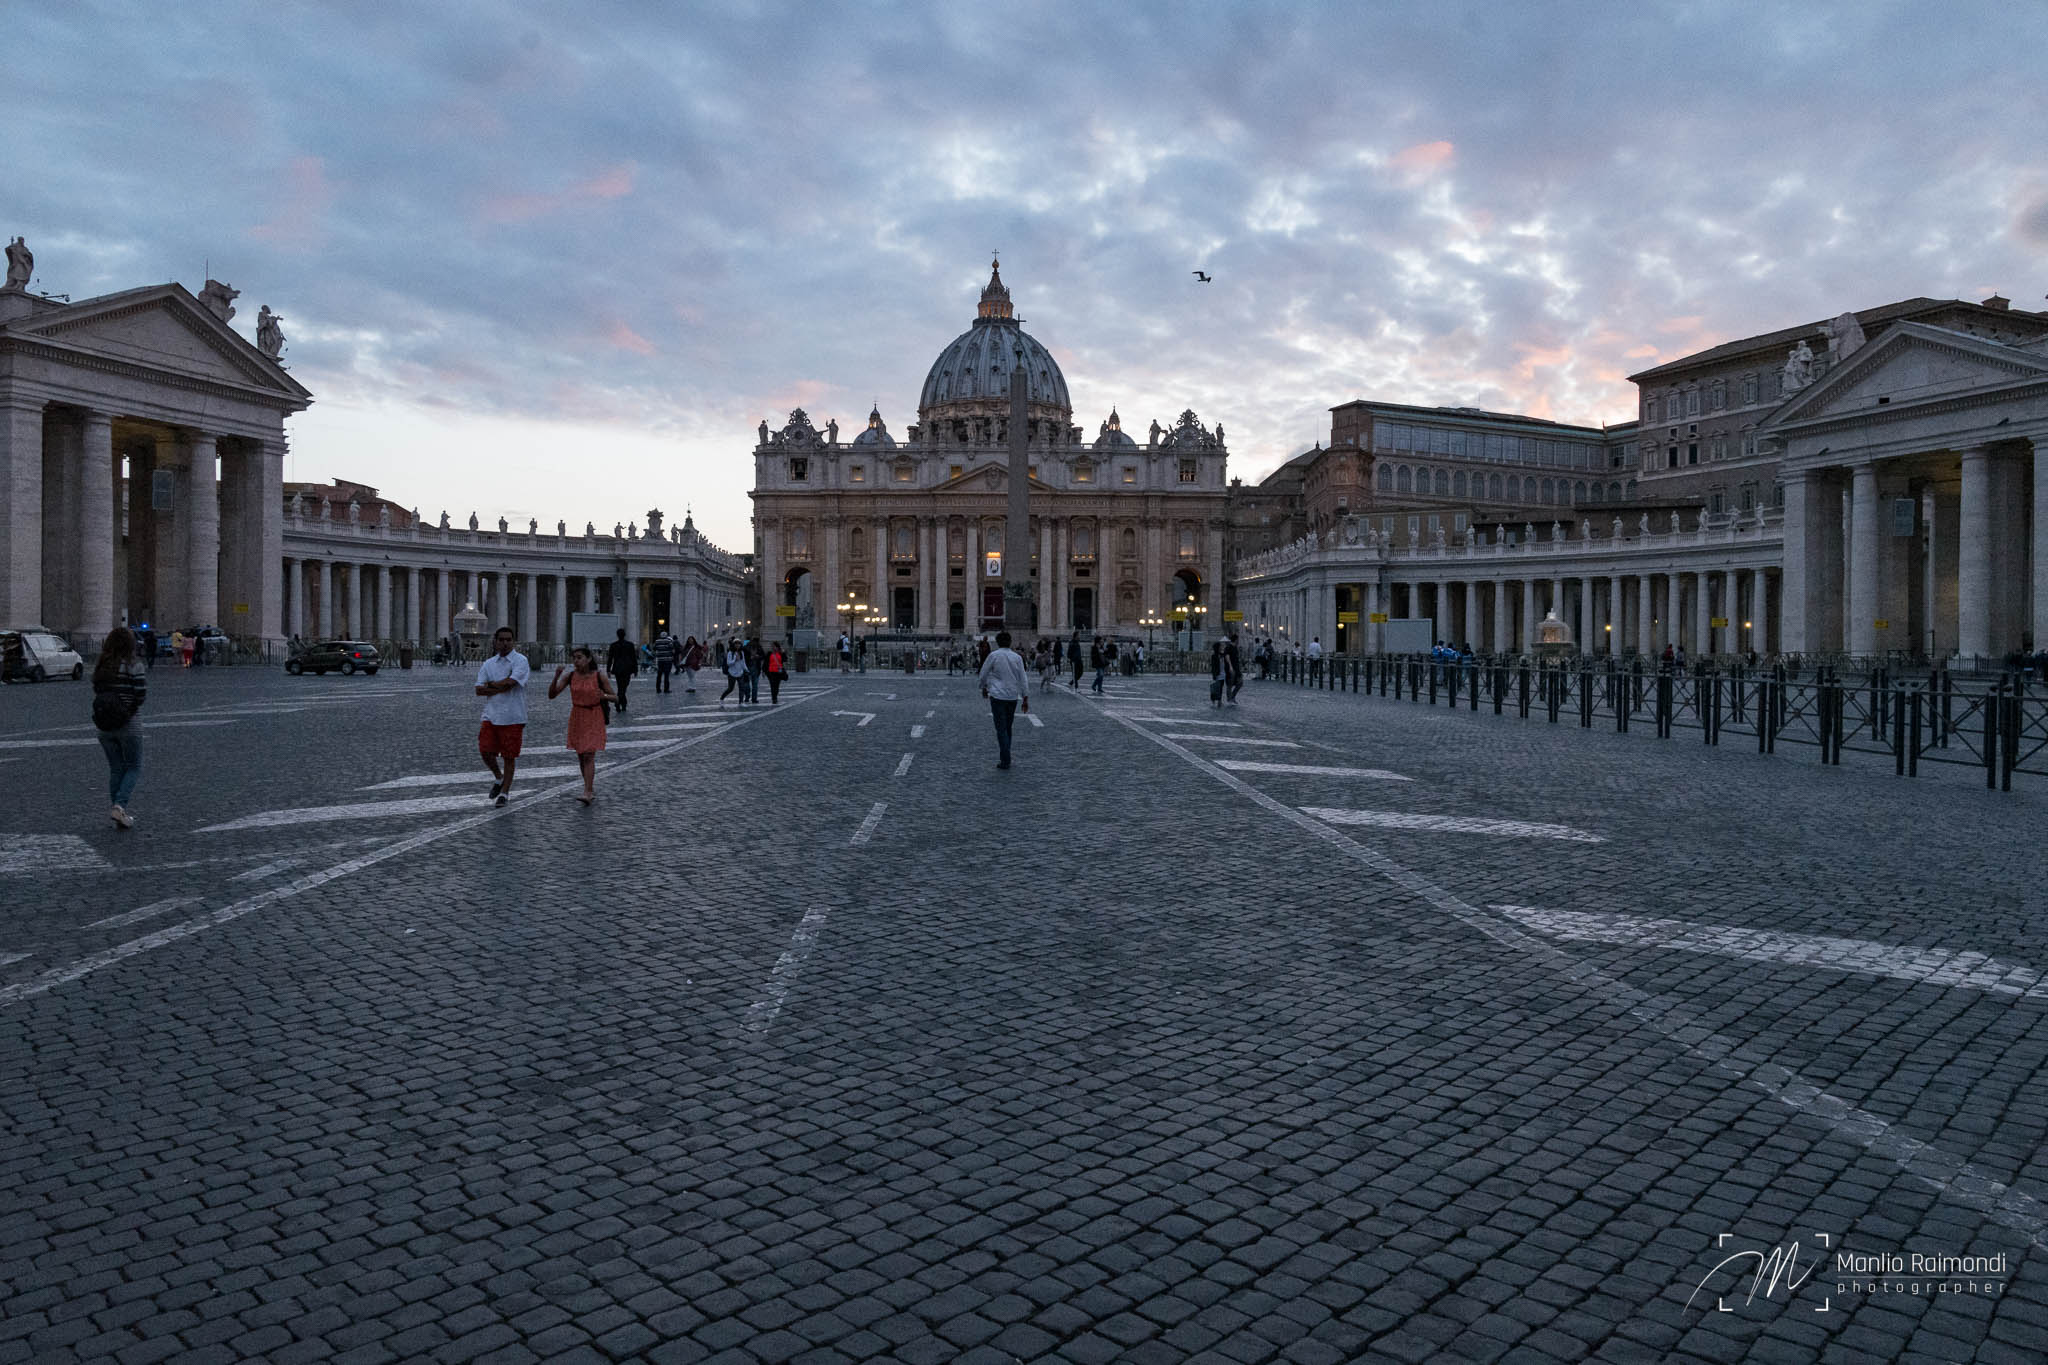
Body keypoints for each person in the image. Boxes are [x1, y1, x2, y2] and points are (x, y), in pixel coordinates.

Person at [90, 626, 147, 829]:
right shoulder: (133, 665)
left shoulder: (102, 666)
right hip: (128, 724)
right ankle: (119, 806)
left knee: (116, 768)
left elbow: (97, 690)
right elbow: (140, 694)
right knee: (133, 767)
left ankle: (118, 811)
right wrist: (128, 708)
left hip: (104, 725)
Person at [549, 646, 616, 805]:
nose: (576, 661)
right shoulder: (570, 676)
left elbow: (616, 697)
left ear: (588, 659)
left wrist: (604, 695)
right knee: (580, 754)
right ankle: (588, 786)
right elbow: (552, 695)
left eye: (579, 657)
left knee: (588, 754)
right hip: (577, 716)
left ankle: (588, 791)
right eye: (574, 658)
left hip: (593, 715)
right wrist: (556, 677)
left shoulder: (599, 676)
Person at [474, 626, 530, 806]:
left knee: (509, 756)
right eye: (501, 640)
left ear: (513, 641)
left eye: (508, 640)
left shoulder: (521, 660)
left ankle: (504, 793)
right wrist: (501, 686)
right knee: (485, 751)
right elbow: (478, 690)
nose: (505, 643)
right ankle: (499, 777)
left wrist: (491, 685)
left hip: (513, 716)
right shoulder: (488, 663)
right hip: (491, 715)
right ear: (495, 641)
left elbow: (512, 682)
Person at [978, 630, 1029, 770]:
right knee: (1008, 727)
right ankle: (1006, 755)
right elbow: (1023, 678)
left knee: (1001, 728)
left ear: (998, 642)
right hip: (1013, 697)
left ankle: (1005, 758)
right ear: (1010, 642)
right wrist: (1025, 697)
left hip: (997, 696)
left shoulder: (993, 655)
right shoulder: (1017, 657)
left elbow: (983, 674)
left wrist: (983, 687)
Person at [606, 629, 638, 712]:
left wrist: (608, 670)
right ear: (625, 635)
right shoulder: (630, 645)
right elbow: (633, 658)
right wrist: (635, 670)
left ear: (617, 635)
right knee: (623, 687)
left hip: (617, 668)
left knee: (620, 686)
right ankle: (621, 703)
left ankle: (620, 703)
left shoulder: (613, 645)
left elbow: (610, 658)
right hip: (627, 668)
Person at [719, 638, 746, 703]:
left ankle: (741, 702)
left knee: (742, 688)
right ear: (733, 645)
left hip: (740, 673)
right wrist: (735, 660)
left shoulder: (742, 652)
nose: (737, 645)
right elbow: (728, 663)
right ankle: (722, 698)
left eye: (739, 644)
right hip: (732, 673)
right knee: (730, 688)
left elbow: (743, 662)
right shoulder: (730, 653)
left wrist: (746, 669)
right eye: (736, 644)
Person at [651, 629, 678, 693]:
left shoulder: (657, 641)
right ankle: (666, 689)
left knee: (659, 675)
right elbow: (673, 650)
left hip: (660, 660)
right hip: (668, 660)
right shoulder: (669, 641)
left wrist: (657, 654)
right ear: (666, 635)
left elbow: (654, 648)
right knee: (666, 675)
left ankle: (658, 689)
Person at [743, 636, 765, 704]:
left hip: (756, 668)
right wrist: (750, 657)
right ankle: (747, 696)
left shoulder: (759, 648)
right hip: (747, 668)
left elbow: (763, 656)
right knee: (747, 684)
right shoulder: (746, 648)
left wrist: (758, 657)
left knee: (754, 685)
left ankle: (754, 698)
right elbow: (743, 657)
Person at [765, 639, 787, 704]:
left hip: (778, 672)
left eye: (775, 646)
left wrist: (783, 653)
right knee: (772, 685)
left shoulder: (780, 653)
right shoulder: (769, 653)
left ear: (777, 647)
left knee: (777, 686)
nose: (773, 647)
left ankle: (775, 696)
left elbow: (785, 660)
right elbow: (766, 663)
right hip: (771, 672)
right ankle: (774, 698)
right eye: (772, 646)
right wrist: (764, 671)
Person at [1225, 634, 1244, 705]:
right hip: (1231, 668)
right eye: (1238, 639)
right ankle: (1229, 699)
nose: (1238, 641)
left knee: (1240, 683)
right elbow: (1227, 657)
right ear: (1236, 639)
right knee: (1230, 684)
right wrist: (1230, 667)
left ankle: (1232, 697)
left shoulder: (1235, 647)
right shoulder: (1228, 647)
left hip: (1236, 668)